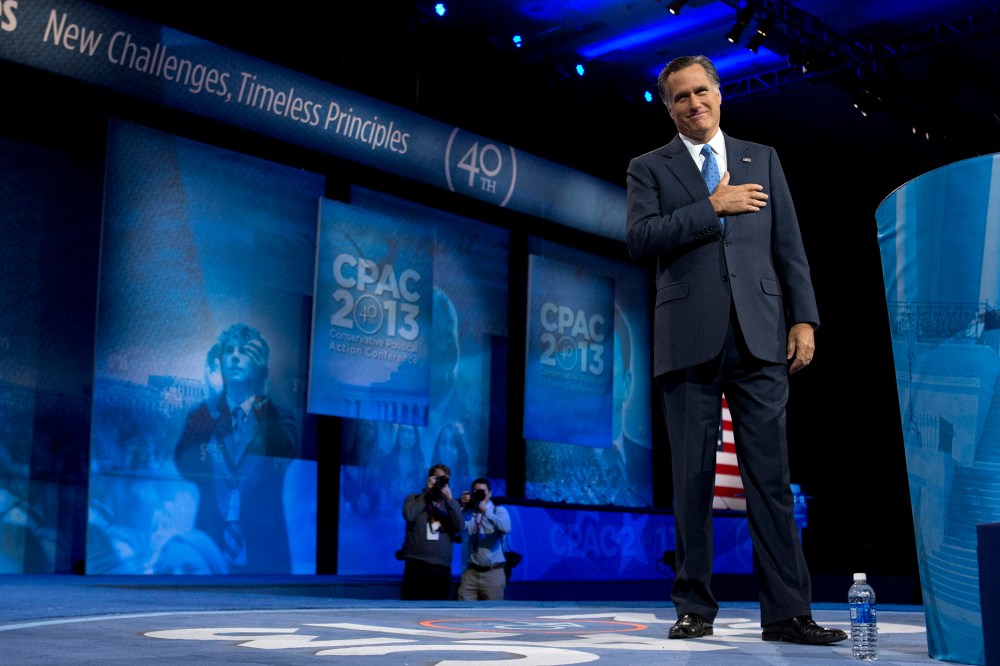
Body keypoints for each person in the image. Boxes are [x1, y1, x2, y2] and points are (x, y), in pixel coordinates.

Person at [625, 55, 846, 646]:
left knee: (771, 481)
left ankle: (788, 614)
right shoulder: (649, 167)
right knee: (692, 481)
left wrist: (804, 319)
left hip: (761, 335)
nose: (694, 103)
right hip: (687, 340)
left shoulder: (761, 158)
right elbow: (640, 238)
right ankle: (693, 607)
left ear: (719, 94)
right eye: (680, 97)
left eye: (701, 91)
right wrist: (711, 208)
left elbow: (789, 245)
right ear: (668, 107)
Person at [174, 323, 298, 574]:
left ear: (259, 363)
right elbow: (185, 465)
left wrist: (261, 394)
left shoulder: (280, 416)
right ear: (220, 362)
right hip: (210, 545)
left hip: (265, 550)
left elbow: (284, 452)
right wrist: (211, 402)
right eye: (229, 351)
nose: (235, 356)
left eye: (244, 351)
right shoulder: (202, 413)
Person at [399, 463, 463, 600]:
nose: (440, 482)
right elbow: (409, 515)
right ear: (429, 479)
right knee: (411, 606)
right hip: (416, 564)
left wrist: (450, 500)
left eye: (444, 479)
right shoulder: (414, 498)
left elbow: (459, 527)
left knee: (438, 608)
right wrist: (427, 493)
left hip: (441, 567)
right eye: (437, 478)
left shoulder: (450, 505)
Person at [457, 477, 511, 600]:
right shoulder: (470, 513)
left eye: (482, 492)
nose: (479, 495)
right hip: (471, 572)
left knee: (492, 610)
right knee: (463, 609)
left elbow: (506, 528)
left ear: (490, 493)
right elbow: (458, 528)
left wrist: (485, 510)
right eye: (476, 492)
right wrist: (461, 507)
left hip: (492, 572)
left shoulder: (498, 510)